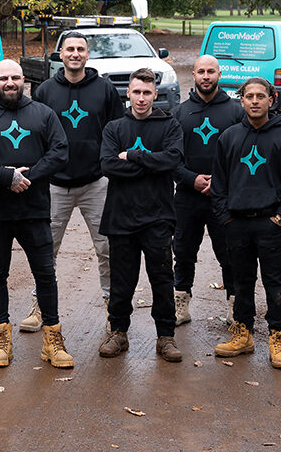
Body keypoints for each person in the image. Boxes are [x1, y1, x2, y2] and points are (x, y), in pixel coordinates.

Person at [0, 60, 73, 368]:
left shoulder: (43, 114)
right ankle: (2, 341)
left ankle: (52, 340)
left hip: (34, 209)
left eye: (15, 77)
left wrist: (29, 176)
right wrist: (4, 177)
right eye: (3, 78)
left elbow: (60, 151)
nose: (10, 82)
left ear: (24, 80)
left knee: (45, 274)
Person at [20, 31, 124, 332]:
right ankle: (40, 307)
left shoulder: (104, 90)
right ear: (60, 55)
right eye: (70, 49)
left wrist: (113, 169)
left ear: (87, 55)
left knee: (107, 249)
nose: (75, 54)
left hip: (96, 183)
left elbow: (116, 132)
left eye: (80, 49)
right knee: (45, 249)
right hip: (54, 185)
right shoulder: (45, 91)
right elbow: (34, 134)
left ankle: (112, 308)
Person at [211, 77, 281, 370]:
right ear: (241, 101)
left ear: (271, 100)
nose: (254, 101)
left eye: (260, 96)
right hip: (236, 223)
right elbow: (219, 184)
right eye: (249, 96)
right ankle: (243, 332)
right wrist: (225, 217)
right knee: (241, 281)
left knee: (274, 282)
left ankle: (278, 336)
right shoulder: (228, 137)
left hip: (270, 224)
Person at [97, 68, 184, 362]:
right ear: (128, 93)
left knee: (161, 278)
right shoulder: (114, 128)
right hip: (121, 217)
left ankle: (166, 336)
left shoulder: (169, 125)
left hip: (158, 217)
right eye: (137, 92)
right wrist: (151, 164)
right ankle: (118, 332)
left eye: (147, 93)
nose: (142, 98)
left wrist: (132, 157)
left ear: (155, 94)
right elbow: (108, 166)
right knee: (122, 280)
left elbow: (172, 160)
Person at [172, 54, 244, 327]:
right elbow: (172, 159)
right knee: (183, 252)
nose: (206, 76)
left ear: (219, 75)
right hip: (188, 197)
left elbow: (243, 156)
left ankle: (234, 305)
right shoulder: (180, 113)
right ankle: (181, 303)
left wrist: (219, 183)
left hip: (224, 198)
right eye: (201, 71)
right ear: (193, 74)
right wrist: (192, 180)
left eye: (211, 72)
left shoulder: (236, 112)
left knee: (229, 253)